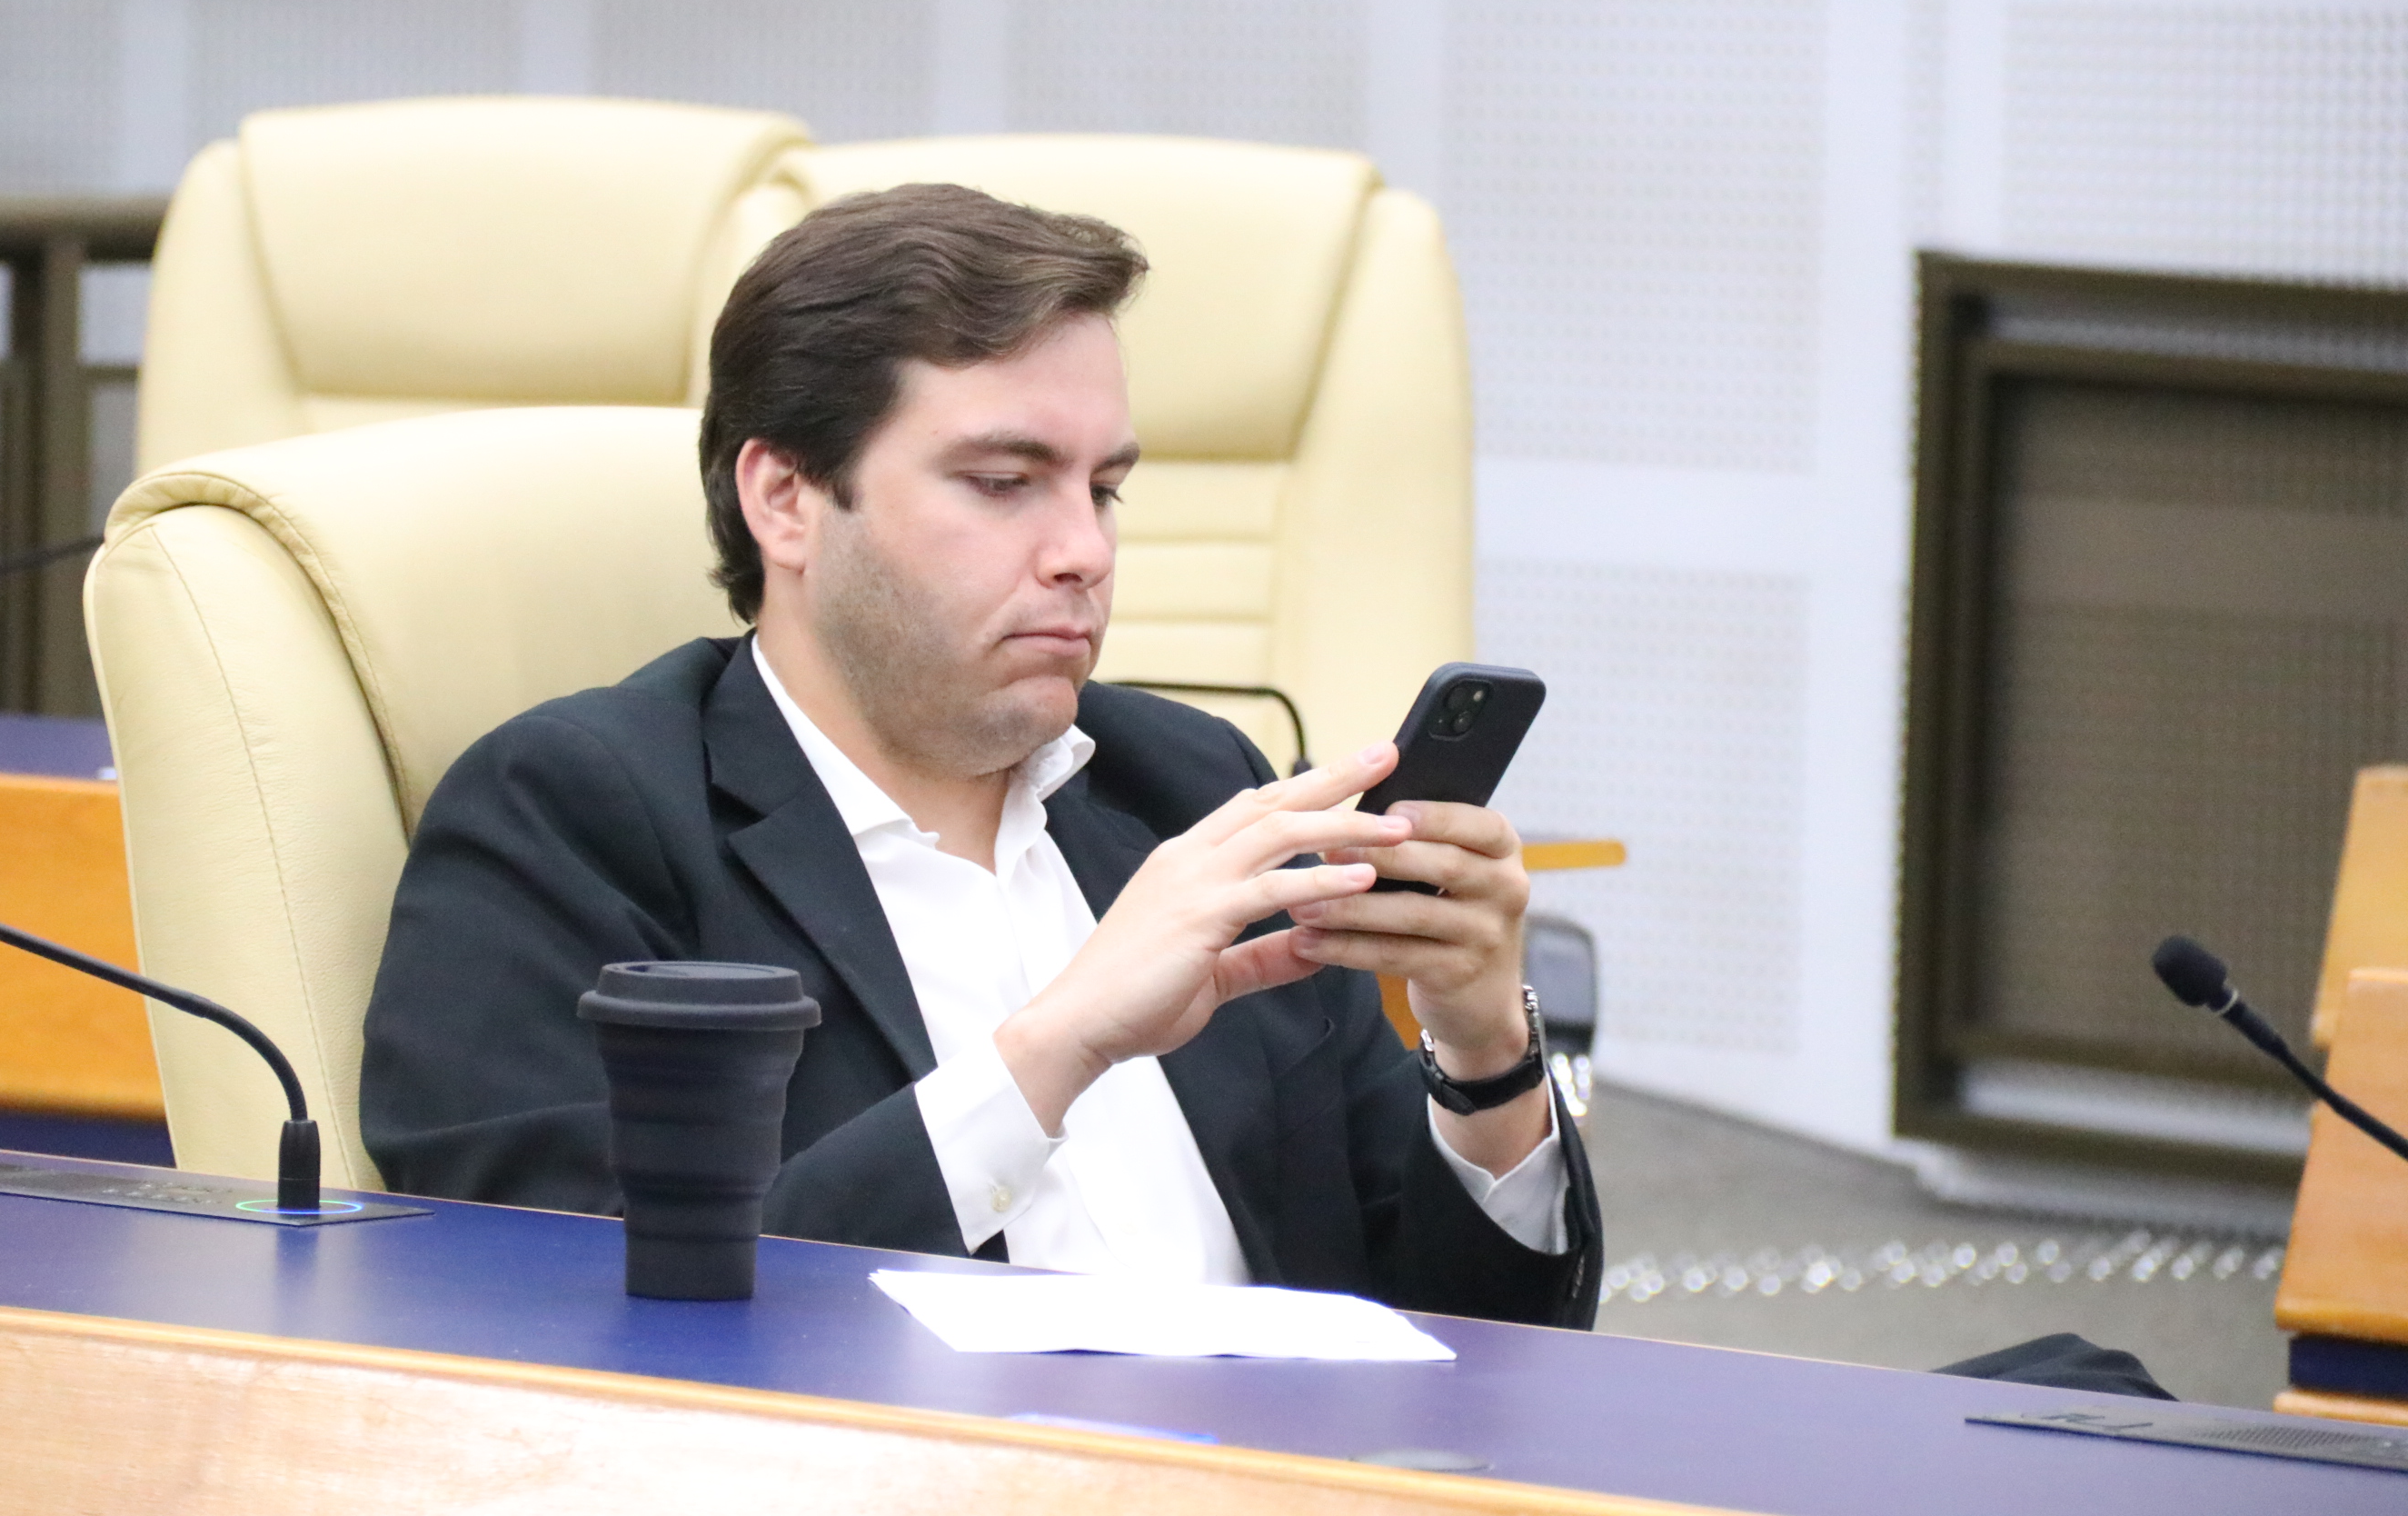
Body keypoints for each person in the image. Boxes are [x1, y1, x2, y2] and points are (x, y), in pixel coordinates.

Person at [361, 183, 1601, 1326]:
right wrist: (1058, 1047)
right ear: (784, 500)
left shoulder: (1193, 788)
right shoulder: (573, 816)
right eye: (1006, 482)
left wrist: (1483, 1051)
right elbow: (566, 1311)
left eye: (1103, 491)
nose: (1085, 553)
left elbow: (1477, 1348)